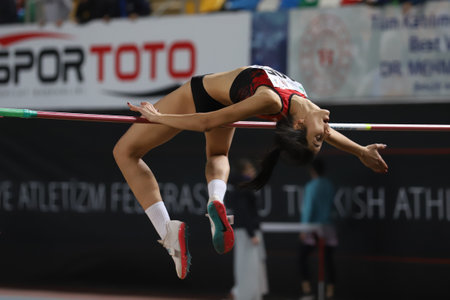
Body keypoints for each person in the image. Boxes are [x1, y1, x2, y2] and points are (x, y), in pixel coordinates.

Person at [113, 65, 388, 279]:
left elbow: (208, 121)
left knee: (125, 152)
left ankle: (168, 230)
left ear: (299, 124)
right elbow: (322, 132)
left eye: (318, 137)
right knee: (218, 154)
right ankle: (216, 201)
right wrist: (360, 151)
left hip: (201, 94)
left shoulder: (277, 102)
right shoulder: (297, 108)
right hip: (221, 100)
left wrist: (160, 117)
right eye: (322, 138)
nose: (327, 131)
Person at [227, 159, 268, 300]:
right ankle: (244, 295)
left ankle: (246, 295)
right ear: (243, 172)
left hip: (246, 231)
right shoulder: (244, 187)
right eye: (250, 169)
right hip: (246, 232)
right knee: (248, 268)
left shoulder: (241, 187)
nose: (253, 172)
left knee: (250, 267)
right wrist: (251, 233)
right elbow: (243, 212)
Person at [298, 159, 337, 300]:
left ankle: (307, 291)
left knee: (302, 258)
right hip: (328, 227)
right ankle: (330, 292)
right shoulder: (329, 185)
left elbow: (308, 208)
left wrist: (304, 228)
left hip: (315, 228)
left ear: (312, 171)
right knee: (328, 260)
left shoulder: (312, 186)